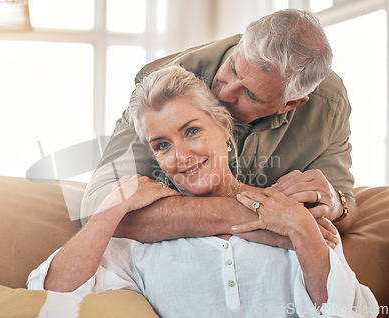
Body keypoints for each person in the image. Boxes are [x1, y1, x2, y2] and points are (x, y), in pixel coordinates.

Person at [28, 65, 378, 317]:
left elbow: (350, 313)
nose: (181, 156)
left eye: (192, 131)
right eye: (162, 145)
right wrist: (110, 212)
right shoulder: (139, 241)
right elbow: (51, 294)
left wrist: (301, 229)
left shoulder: (289, 216)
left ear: (224, 128)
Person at [80, 9, 356, 247]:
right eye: (233, 67)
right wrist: (261, 215)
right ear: (241, 44)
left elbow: (345, 211)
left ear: (291, 103)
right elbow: (97, 211)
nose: (224, 93)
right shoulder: (163, 88)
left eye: (251, 94)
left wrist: (335, 205)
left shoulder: (329, 104)